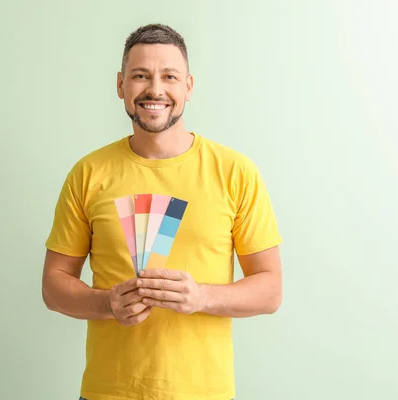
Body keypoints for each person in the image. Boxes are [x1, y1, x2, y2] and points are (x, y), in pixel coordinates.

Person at [42, 23, 283, 400]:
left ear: (188, 86)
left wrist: (202, 296)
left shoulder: (235, 172)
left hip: (204, 392)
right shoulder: (88, 174)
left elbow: (270, 289)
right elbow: (54, 285)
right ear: (121, 85)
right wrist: (105, 304)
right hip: (108, 392)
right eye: (141, 76)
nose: (155, 89)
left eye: (169, 76)